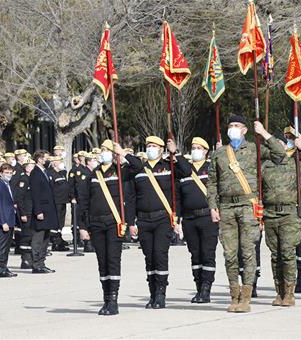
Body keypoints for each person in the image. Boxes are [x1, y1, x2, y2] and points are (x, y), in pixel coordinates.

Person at [207, 115, 285, 313]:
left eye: (237, 126)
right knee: (229, 254)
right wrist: (212, 206)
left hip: (247, 205)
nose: (233, 128)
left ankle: (246, 298)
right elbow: (213, 182)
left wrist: (264, 133)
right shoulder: (219, 154)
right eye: (230, 125)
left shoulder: (254, 148)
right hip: (226, 208)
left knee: (248, 253)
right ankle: (234, 295)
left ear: (244, 130)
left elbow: (279, 153)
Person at [262, 129, 301, 307]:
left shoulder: (295, 162)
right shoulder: (264, 165)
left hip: (289, 214)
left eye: (280, 144)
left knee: (288, 253)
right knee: (275, 255)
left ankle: (289, 292)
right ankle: (279, 291)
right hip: (270, 214)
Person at [122, 136, 178, 309]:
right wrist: (131, 222)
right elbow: (130, 198)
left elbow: (185, 171)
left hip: (162, 218)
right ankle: (152, 292)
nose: (151, 149)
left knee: (160, 255)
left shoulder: (168, 167)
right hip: (144, 219)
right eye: (149, 146)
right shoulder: (138, 169)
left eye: (154, 146)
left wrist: (174, 152)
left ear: (162, 149)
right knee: (149, 257)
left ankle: (161, 293)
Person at [77, 140, 133, 315]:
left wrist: (122, 153)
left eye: (107, 150)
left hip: (113, 223)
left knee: (113, 260)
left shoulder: (120, 171)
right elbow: (84, 201)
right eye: (102, 150)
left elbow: (137, 167)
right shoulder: (94, 174)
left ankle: (114, 300)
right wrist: (82, 226)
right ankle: (106, 299)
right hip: (96, 223)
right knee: (102, 262)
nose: (103, 153)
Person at [173, 137, 218, 304]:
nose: (195, 150)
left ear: (206, 151)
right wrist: (177, 219)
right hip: (189, 218)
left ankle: (206, 288)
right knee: (195, 255)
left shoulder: (211, 168)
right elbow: (177, 197)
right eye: (193, 147)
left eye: (199, 148)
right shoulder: (184, 170)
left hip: (207, 216)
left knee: (207, 254)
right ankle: (198, 286)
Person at [30, 150, 59, 273]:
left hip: (48, 211)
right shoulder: (35, 173)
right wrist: (38, 211)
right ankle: (36, 264)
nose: (48, 161)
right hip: (41, 211)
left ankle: (41, 262)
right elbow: (35, 194)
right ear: (40, 159)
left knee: (46, 238)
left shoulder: (44, 172)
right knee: (38, 239)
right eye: (46, 158)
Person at [0, 163, 18, 278]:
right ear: (1, 173)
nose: (9, 175)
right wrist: (3, 222)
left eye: (10, 173)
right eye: (6, 173)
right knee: (1, 246)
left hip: (10, 218)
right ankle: (0, 269)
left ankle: (4, 267)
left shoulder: (7, 184)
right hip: (4, 221)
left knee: (6, 246)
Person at [14, 158, 35, 269]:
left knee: (31, 235)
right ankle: (25, 259)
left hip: (32, 211)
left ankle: (30, 257)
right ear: (26, 167)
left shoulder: (32, 179)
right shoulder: (24, 180)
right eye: (31, 165)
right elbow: (19, 198)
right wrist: (22, 213)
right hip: (26, 211)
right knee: (26, 235)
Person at [76, 153, 99, 253]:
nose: (96, 162)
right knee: (85, 221)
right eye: (94, 160)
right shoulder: (84, 173)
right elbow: (81, 190)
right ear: (88, 162)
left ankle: (92, 243)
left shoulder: (93, 172)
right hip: (85, 202)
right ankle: (88, 244)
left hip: (92, 202)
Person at [48, 156, 70, 251]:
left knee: (61, 222)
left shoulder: (61, 173)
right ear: (54, 163)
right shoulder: (51, 174)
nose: (61, 163)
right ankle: (55, 241)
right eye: (59, 161)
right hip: (55, 202)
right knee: (55, 223)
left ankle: (59, 239)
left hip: (63, 201)